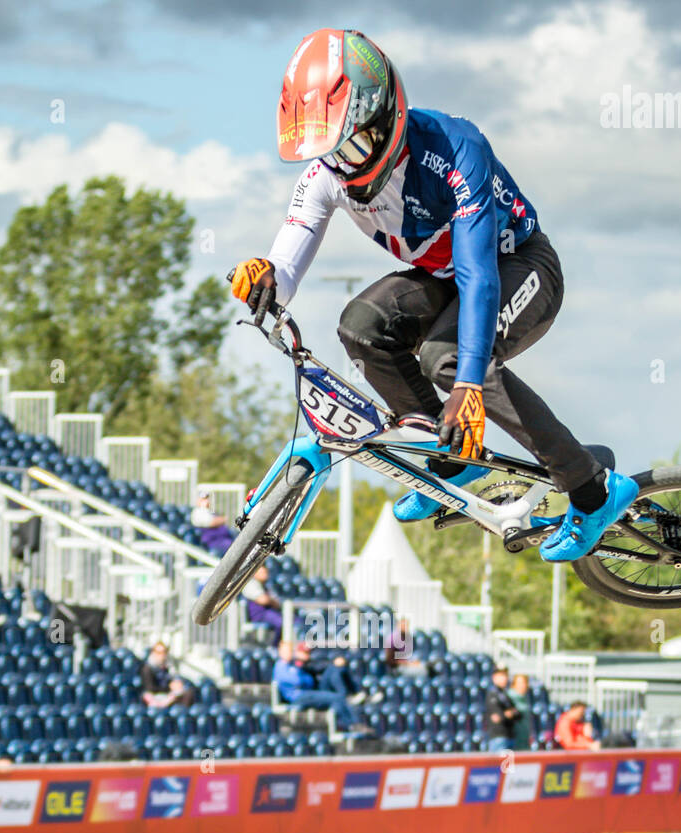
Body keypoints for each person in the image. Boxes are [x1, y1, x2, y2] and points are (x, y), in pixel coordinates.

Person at [231, 28, 639, 562]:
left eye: (354, 145)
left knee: (447, 359)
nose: (345, 167)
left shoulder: (455, 146)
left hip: (518, 265)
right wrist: (266, 278)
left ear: (387, 117)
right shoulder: (328, 174)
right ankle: (451, 461)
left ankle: (593, 489)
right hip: (447, 274)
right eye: (330, 152)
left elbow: (478, 276)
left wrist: (468, 386)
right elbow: (286, 265)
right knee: (361, 326)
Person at [272, 639, 363, 732]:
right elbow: (298, 681)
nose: (290, 653)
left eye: (291, 650)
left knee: (334, 669)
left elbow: (309, 680)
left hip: (309, 693)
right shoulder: (281, 666)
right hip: (299, 696)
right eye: (287, 651)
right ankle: (352, 724)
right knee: (337, 698)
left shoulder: (295, 665)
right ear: (280, 651)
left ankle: (352, 697)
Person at [140, 641, 196, 709]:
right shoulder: (147, 669)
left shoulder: (168, 666)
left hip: (170, 694)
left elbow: (173, 678)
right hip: (157, 696)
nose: (162, 655)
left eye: (164, 652)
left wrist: (176, 685)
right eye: (159, 652)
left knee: (188, 693)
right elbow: (150, 688)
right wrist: (169, 688)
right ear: (153, 653)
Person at [242, 564, 283, 641]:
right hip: (259, 614)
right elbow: (263, 600)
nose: (265, 573)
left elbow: (277, 604)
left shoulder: (266, 585)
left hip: (269, 612)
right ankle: (276, 646)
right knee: (281, 622)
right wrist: (272, 601)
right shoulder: (250, 584)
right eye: (262, 571)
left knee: (290, 620)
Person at [484, 665, 519, 753]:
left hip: (509, 736)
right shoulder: (493, 694)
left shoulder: (505, 695)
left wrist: (510, 714)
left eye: (505, 675)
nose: (505, 678)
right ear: (494, 677)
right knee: (499, 766)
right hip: (499, 737)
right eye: (501, 675)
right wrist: (508, 714)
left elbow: (517, 714)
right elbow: (497, 717)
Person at [191, 491, 235, 556]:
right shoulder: (197, 512)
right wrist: (222, 519)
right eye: (203, 499)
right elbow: (211, 522)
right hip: (213, 542)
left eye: (207, 498)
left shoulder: (210, 512)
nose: (206, 501)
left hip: (224, 539)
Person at [508, 672, 533, 751]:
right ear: (514, 684)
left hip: (524, 739)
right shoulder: (509, 698)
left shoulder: (524, 699)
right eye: (520, 683)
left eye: (525, 682)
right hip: (514, 741)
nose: (523, 685)